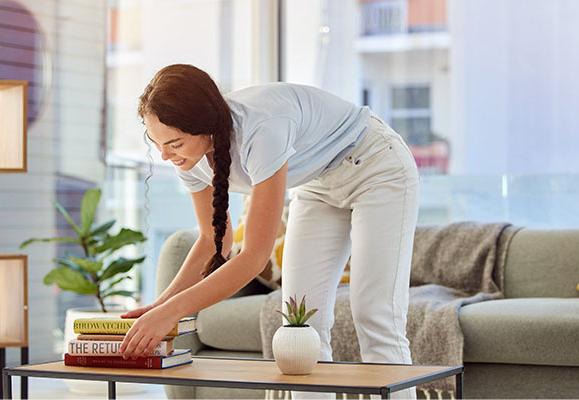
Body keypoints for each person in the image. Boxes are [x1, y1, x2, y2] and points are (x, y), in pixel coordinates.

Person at [119, 64, 419, 399]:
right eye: (156, 142)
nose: (164, 155)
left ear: (205, 127)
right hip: (316, 184)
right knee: (300, 323)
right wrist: (160, 305)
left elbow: (253, 257)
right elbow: (212, 241)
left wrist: (173, 312)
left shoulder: (262, 126)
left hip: (376, 165)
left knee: (375, 314)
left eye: (174, 143)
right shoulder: (188, 158)